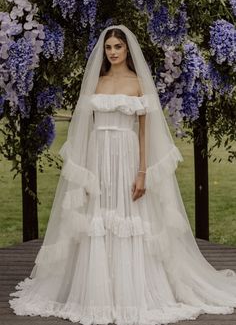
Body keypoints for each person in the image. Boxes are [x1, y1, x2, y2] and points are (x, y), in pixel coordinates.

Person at [9, 25, 236, 325]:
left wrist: (142, 172)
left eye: (118, 46)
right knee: (98, 220)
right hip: (99, 157)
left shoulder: (139, 82)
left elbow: (144, 133)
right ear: (104, 51)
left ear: (128, 49)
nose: (113, 52)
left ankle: (135, 291)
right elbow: (86, 130)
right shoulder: (97, 82)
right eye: (109, 47)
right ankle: (98, 293)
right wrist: (86, 175)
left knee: (132, 219)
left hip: (128, 157)